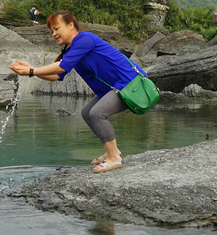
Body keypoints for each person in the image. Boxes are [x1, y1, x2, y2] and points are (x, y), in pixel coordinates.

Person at [9, 11, 146, 173]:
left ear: (71, 25)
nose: (54, 34)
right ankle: (112, 151)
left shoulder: (84, 39)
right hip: (116, 87)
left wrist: (32, 70)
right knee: (87, 112)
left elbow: (61, 66)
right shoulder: (71, 50)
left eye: (56, 28)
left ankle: (114, 157)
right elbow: (56, 75)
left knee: (97, 113)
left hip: (130, 85)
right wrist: (31, 69)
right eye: (51, 31)